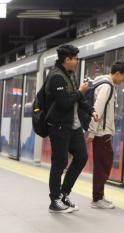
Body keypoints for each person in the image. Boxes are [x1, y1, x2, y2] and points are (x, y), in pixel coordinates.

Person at [45, 45, 98, 213]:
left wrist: (91, 110)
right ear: (66, 59)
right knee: (60, 162)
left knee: (81, 157)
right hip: (59, 125)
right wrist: (81, 92)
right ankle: (54, 200)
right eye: (75, 58)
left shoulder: (70, 75)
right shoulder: (56, 77)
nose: (77, 61)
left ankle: (64, 193)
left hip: (73, 125)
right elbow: (64, 103)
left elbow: (77, 100)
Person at [87, 61, 124, 209]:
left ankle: (99, 195)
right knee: (103, 165)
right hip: (101, 133)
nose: (123, 81)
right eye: (123, 77)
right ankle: (97, 199)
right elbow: (97, 109)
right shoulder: (106, 86)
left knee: (104, 164)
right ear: (117, 74)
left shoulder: (104, 84)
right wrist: (92, 131)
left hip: (103, 132)